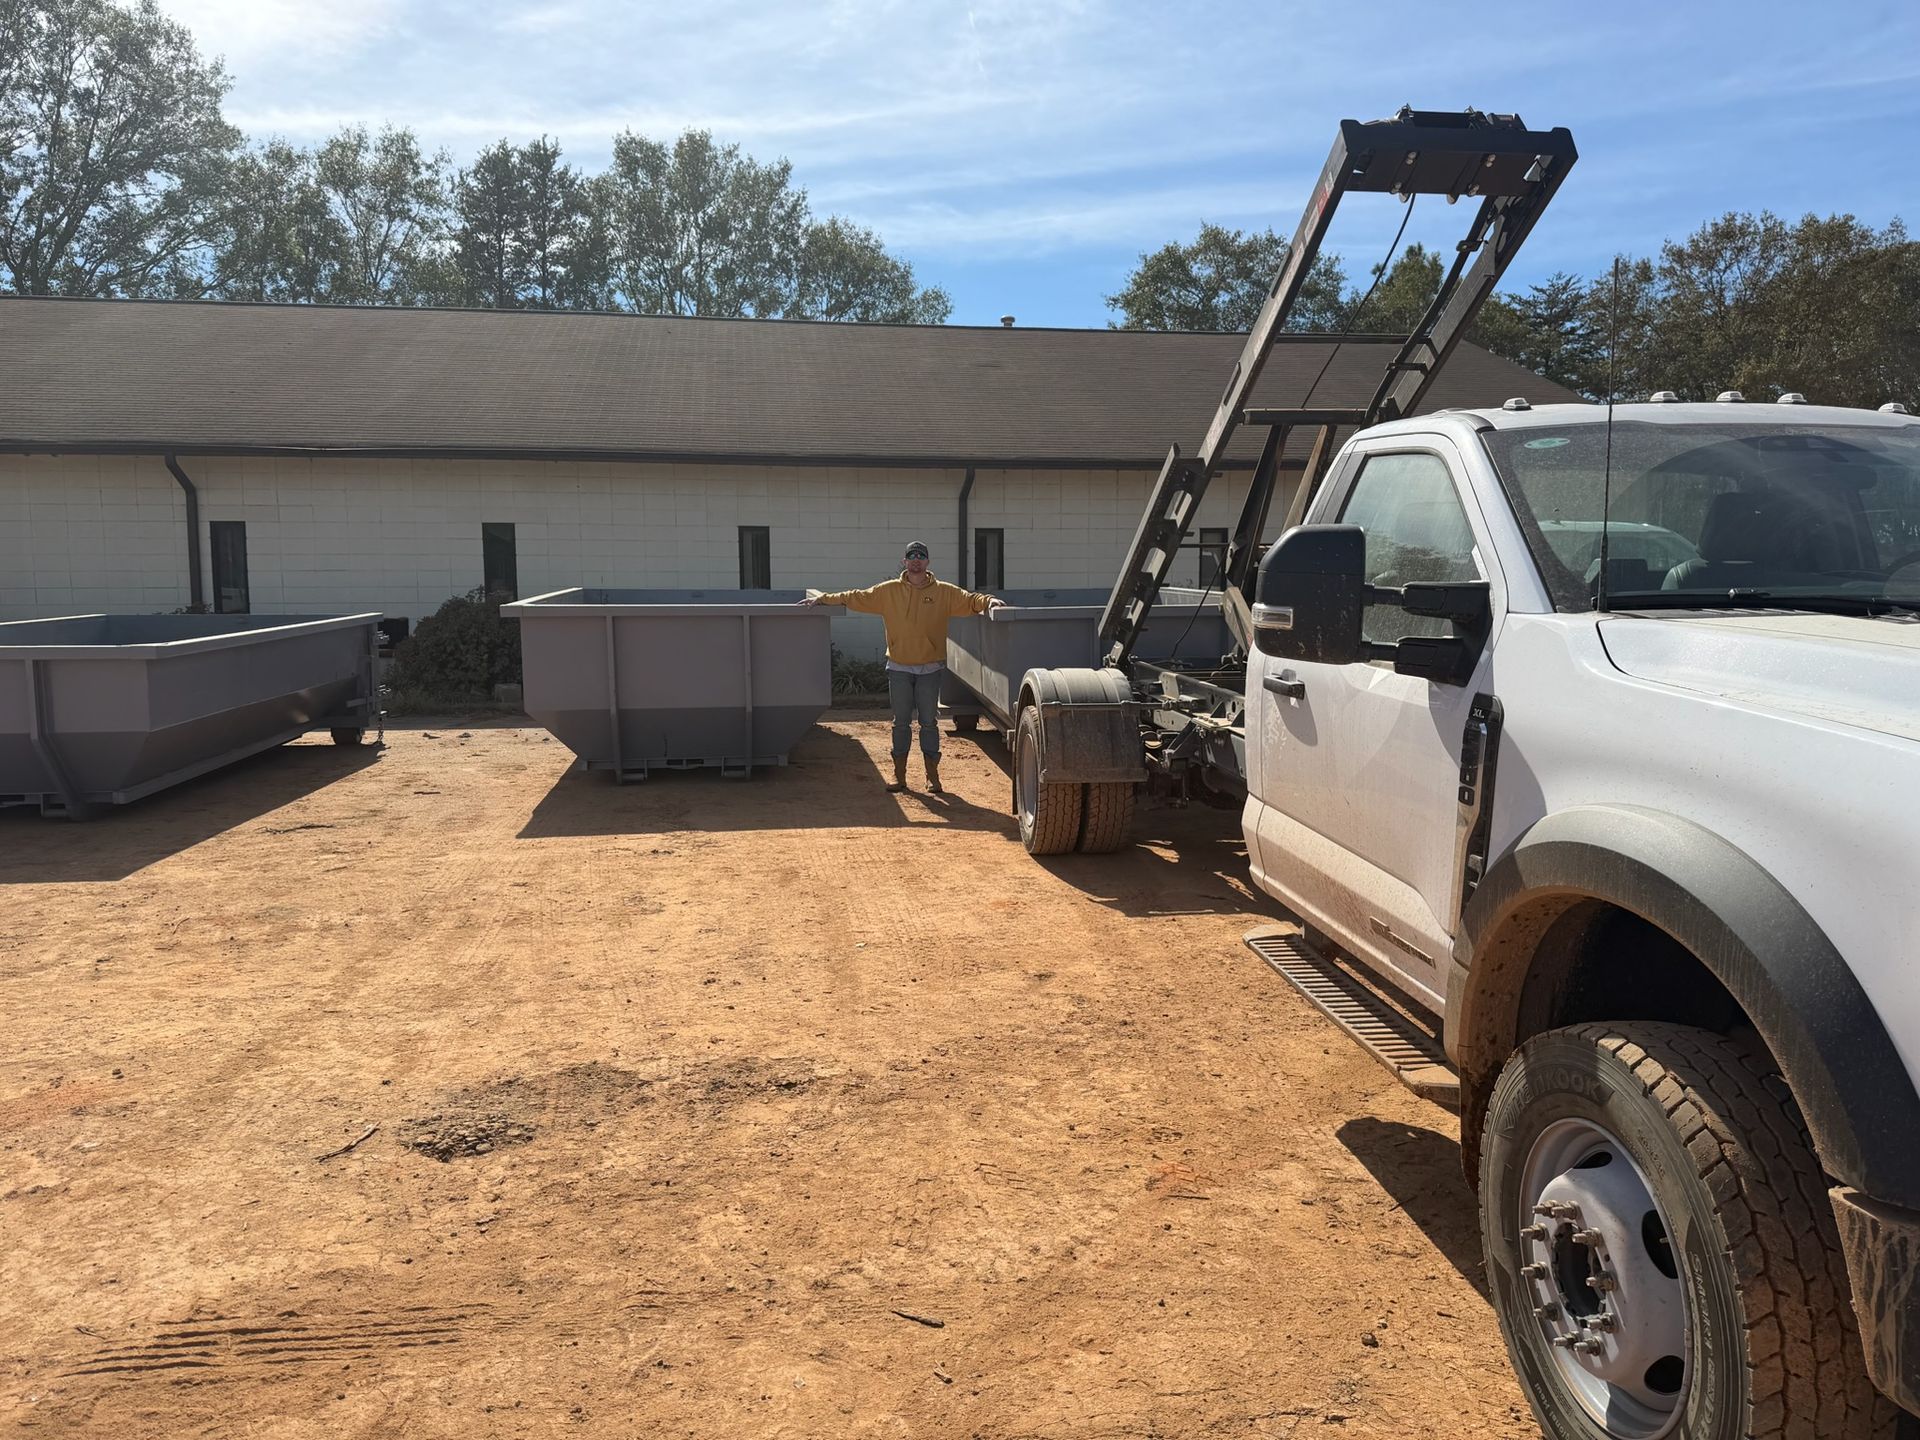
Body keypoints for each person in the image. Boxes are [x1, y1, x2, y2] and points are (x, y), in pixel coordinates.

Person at [801, 541, 1000, 793]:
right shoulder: (888, 591)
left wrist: (989, 601)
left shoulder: (944, 592)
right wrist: (824, 599)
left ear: (928, 562)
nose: (916, 560)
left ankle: (932, 777)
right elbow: (856, 597)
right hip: (898, 668)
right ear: (904, 561)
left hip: (930, 668)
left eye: (921, 556)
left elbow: (970, 600)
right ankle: (899, 776)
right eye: (911, 556)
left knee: (929, 723)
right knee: (900, 723)